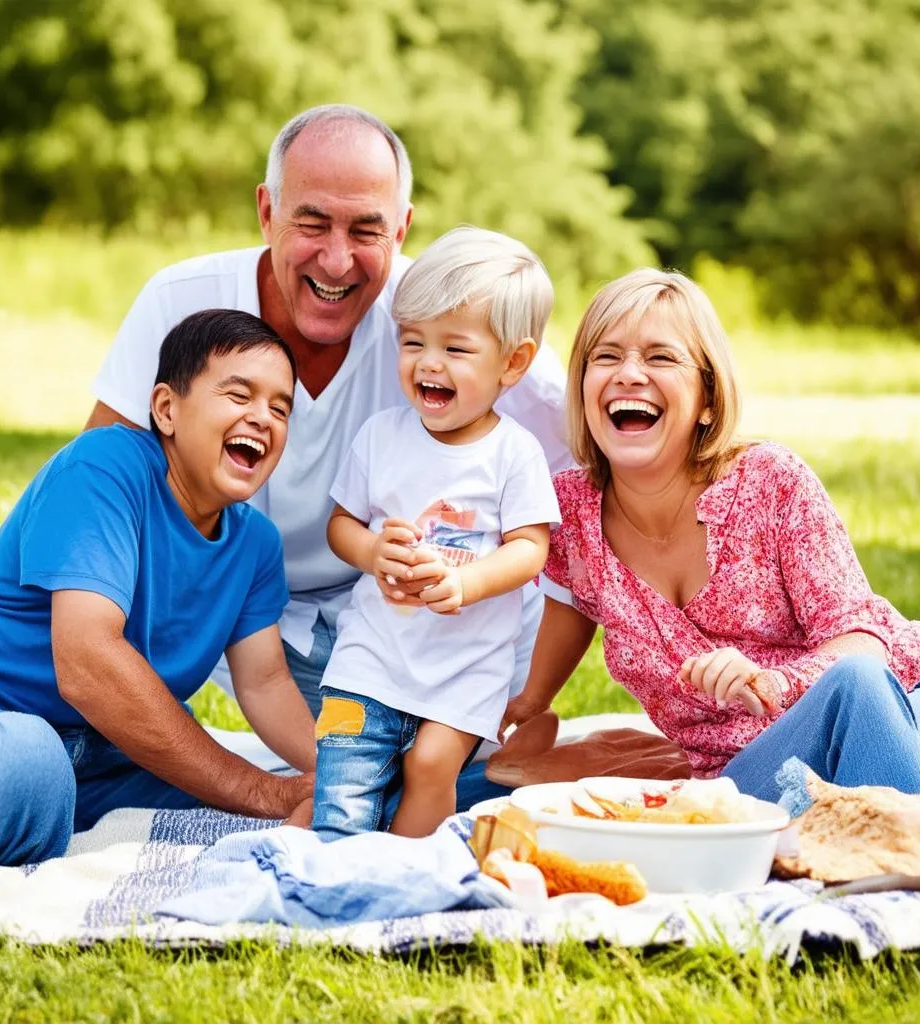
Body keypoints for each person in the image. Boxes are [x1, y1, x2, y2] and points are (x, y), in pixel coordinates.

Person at [85, 105, 571, 733]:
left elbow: (597, 443)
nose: (337, 261)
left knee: (452, 774)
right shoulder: (183, 302)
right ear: (267, 212)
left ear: (401, 230)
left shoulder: (445, 318)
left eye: (366, 230)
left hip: (430, 613)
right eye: (311, 222)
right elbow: (100, 488)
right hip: (254, 617)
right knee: (351, 770)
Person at [0, 310, 316, 907]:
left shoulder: (254, 545)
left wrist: (342, 773)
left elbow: (264, 681)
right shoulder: (104, 467)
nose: (262, 416)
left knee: (406, 783)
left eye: (281, 408)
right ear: (167, 409)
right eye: (239, 394)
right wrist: (264, 791)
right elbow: (88, 664)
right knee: (26, 764)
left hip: (97, 755)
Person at [501, 268, 920, 802]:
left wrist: (772, 682)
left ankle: (915, 871)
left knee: (856, 688)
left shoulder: (771, 481)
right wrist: (529, 701)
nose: (629, 374)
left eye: (660, 357)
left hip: (911, 694)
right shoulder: (569, 512)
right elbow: (574, 598)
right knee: (482, 788)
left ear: (708, 399)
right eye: (607, 356)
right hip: (745, 771)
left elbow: (863, 642)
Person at [310, 227, 561, 840]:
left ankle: (404, 871)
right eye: (413, 340)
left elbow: (532, 549)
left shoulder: (513, 453)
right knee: (342, 766)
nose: (428, 362)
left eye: (456, 348)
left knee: (429, 765)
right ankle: (333, 866)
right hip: (370, 657)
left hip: (464, 667)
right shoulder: (381, 436)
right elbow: (341, 524)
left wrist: (468, 581)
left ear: (514, 362)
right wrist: (371, 551)